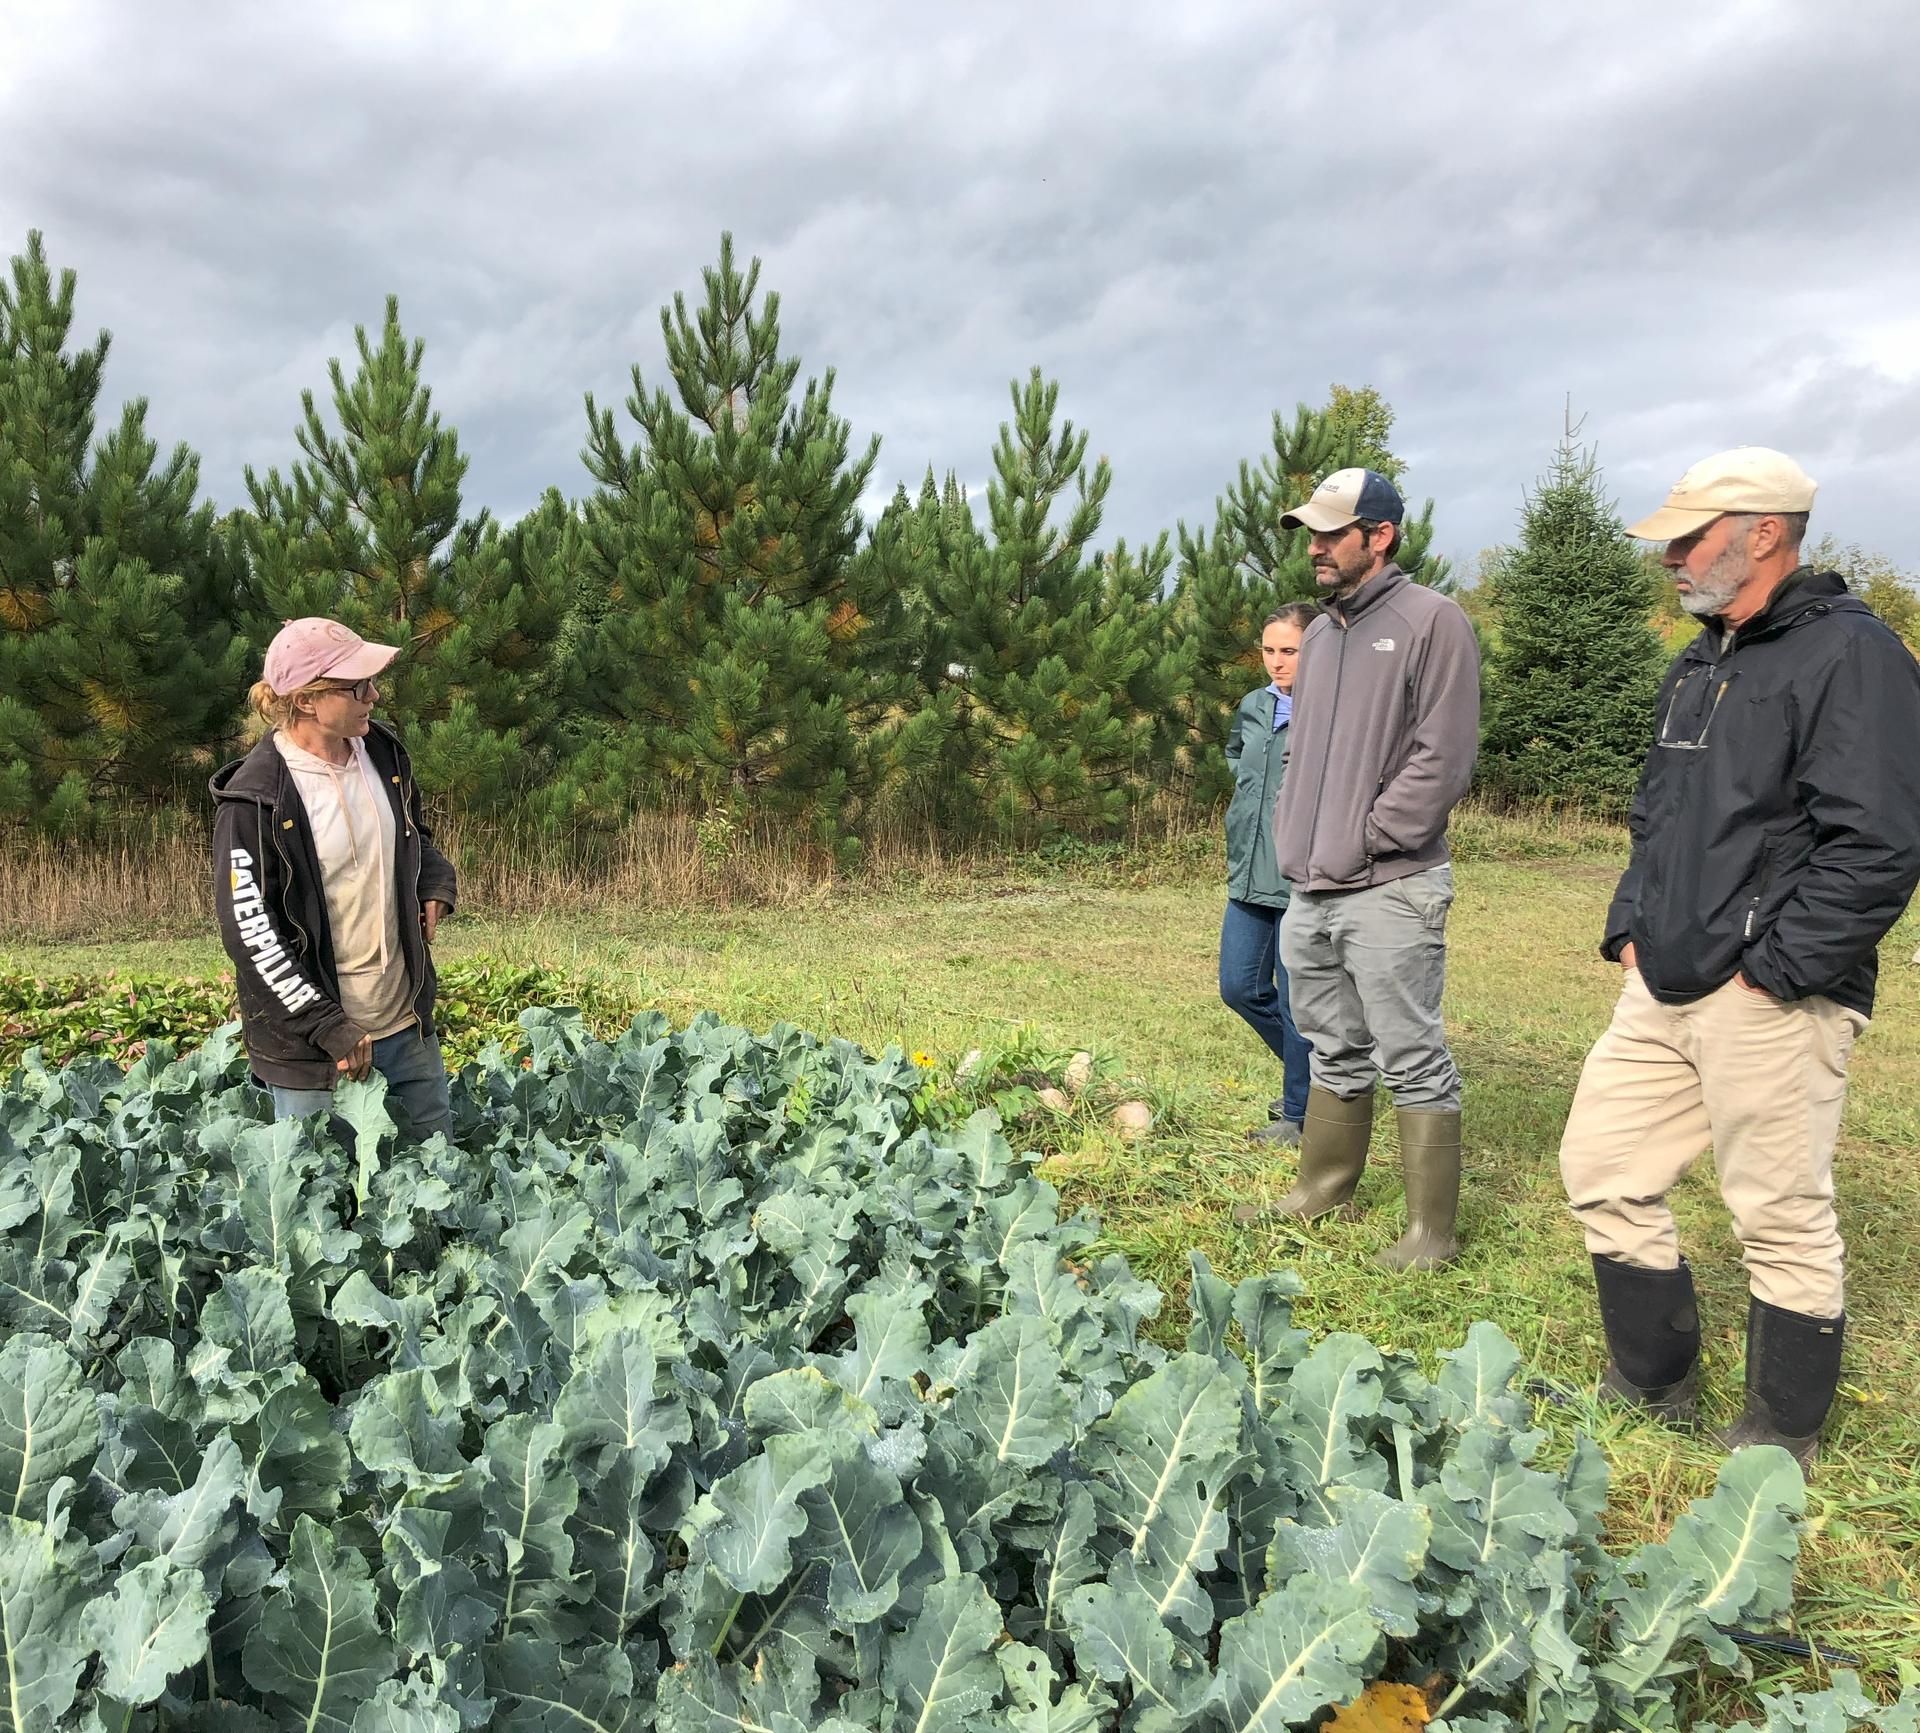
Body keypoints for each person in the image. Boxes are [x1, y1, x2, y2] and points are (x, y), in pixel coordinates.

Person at [1558, 448, 1920, 1465]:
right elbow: (1657, 813)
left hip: (1772, 990)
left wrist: (1781, 965)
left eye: (1690, 535)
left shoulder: (1853, 655)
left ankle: (1779, 1433)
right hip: (1662, 976)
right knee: (1602, 1165)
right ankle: (1652, 1380)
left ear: (1763, 531)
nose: (1670, 556)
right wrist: (1631, 921)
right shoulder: (1704, 656)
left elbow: (1880, 840)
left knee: (1779, 1208)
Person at [1234, 468, 1481, 1272]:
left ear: (1380, 536)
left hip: (1391, 884)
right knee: (1331, 1042)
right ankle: (1323, 1185)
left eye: (1332, 533)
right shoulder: (1327, 632)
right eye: (1310, 533)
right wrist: (1299, 840)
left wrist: (1370, 837)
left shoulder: (1431, 621)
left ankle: (1428, 1235)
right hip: (1311, 884)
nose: (1315, 547)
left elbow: (1442, 757)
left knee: (1409, 1052)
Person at [211, 617, 459, 1141]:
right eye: (357, 687)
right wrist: (329, 1027)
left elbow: (415, 835)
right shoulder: (253, 800)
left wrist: (434, 879)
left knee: (439, 1187)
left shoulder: (384, 755)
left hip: (405, 1024)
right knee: (320, 1211)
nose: (374, 695)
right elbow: (251, 934)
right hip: (317, 1053)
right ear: (306, 700)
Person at [1220, 604, 1319, 1144]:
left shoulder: (1329, 709)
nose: (1276, 662)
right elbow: (1236, 753)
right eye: (1268, 650)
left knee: (1293, 999)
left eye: (1289, 651)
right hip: (1248, 869)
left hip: (1300, 875)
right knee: (1239, 987)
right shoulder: (1255, 705)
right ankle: (1330, 1080)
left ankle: (1301, 1115)